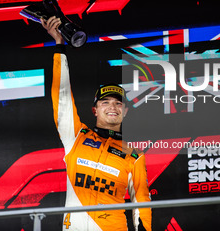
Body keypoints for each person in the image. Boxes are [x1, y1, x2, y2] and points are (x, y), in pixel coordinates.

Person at [42, 16, 152, 231]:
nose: (112, 107)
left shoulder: (135, 156)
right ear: (95, 110)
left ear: (125, 111)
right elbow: (62, 97)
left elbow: (142, 204)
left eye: (118, 103)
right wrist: (59, 47)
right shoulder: (76, 136)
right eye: (105, 102)